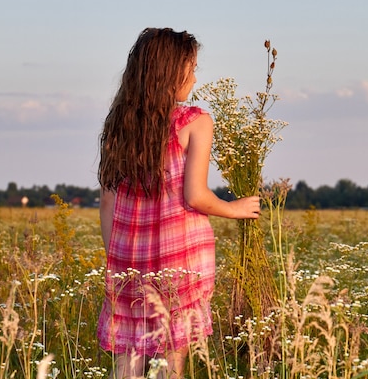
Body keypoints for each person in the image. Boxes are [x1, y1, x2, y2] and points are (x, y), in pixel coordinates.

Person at [97, 27, 260, 379]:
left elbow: (107, 201)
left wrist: (119, 259)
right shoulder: (195, 122)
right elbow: (196, 196)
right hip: (180, 257)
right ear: (171, 73)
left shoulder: (119, 126)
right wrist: (235, 208)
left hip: (128, 259)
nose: (196, 76)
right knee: (171, 357)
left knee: (130, 357)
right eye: (192, 66)